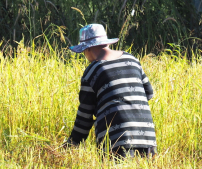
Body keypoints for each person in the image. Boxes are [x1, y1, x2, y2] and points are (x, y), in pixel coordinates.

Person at [65, 24, 157, 158]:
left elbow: (85, 115)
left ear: (88, 48)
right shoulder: (132, 60)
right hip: (147, 137)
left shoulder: (93, 70)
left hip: (117, 140)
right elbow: (149, 93)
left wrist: (72, 143)